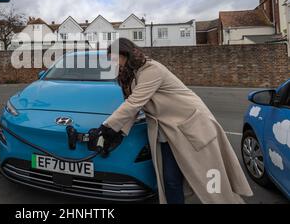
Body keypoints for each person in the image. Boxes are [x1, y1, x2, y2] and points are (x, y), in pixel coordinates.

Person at [98, 38, 253, 204]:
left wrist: (107, 127)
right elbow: (133, 108)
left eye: (115, 59)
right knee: (170, 180)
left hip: (192, 127)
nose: (114, 64)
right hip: (168, 132)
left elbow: (134, 102)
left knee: (211, 181)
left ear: (126, 53)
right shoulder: (132, 76)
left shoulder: (151, 69)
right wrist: (117, 131)